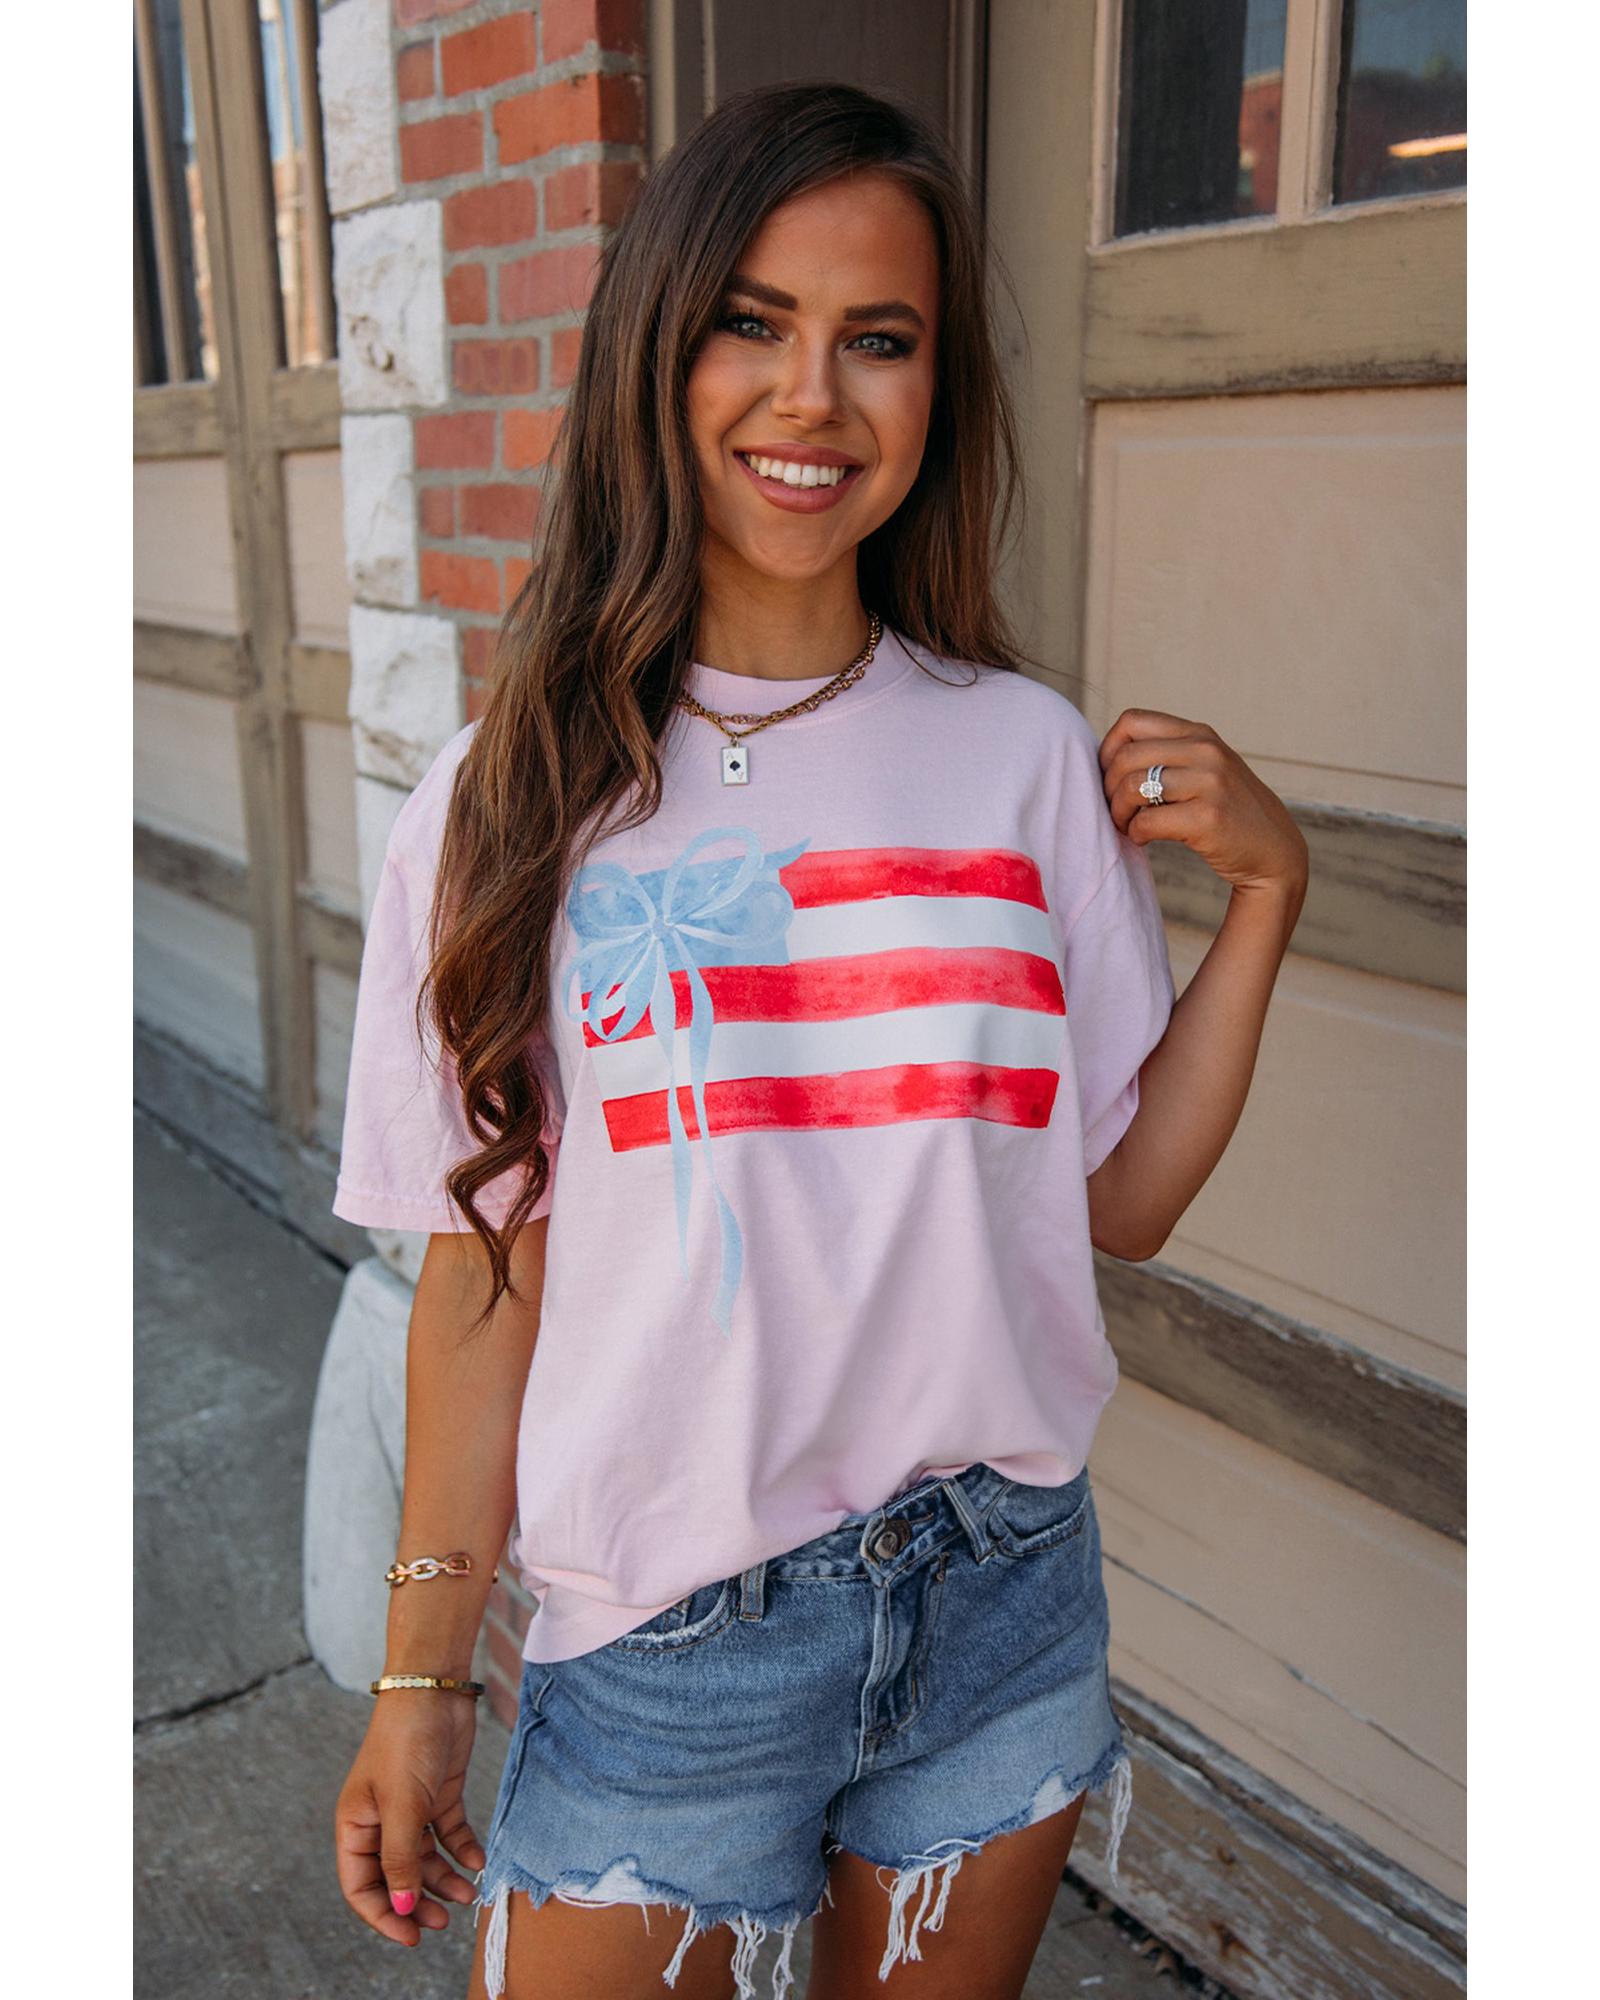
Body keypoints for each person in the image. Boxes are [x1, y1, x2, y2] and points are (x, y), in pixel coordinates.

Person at [330, 79, 1308, 2000]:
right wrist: (421, 1677)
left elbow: (1118, 1204)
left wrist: (1270, 897)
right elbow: (484, 1268)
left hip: (999, 1599)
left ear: (938, 389)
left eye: (880, 339)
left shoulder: (1020, 756)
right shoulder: (508, 801)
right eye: (752, 324)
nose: (813, 398)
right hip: (670, 1650)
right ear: (658, 351)